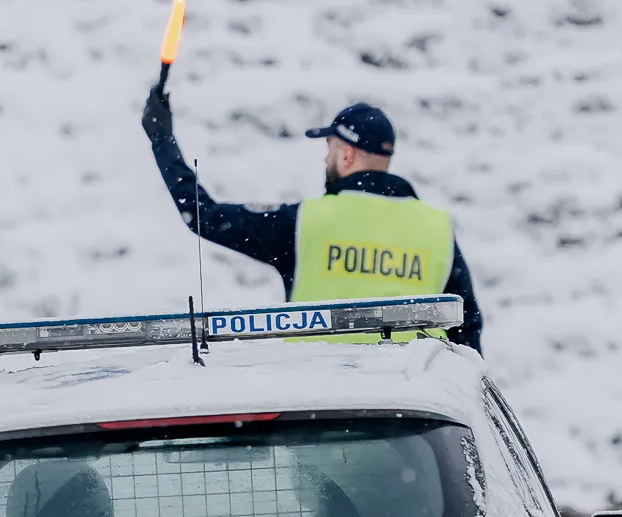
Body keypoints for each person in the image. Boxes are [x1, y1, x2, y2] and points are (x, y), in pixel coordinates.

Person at [139, 85, 483, 351]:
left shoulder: (306, 223)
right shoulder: (437, 230)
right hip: (409, 412)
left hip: (321, 402)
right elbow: (468, 328)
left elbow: (205, 216)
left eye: (329, 150)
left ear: (346, 155)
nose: (325, 161)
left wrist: (161, 138)